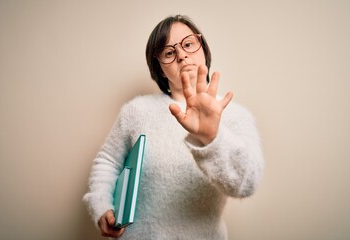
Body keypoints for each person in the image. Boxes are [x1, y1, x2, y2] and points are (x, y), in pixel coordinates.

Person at [83, 14, 264, 239]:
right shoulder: (136, 111)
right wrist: (102, 206)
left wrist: (212, 138)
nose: (181, 56)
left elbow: (246, 184)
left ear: (203, 49)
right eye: (169, 52)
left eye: (188, 44)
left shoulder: (236, 115)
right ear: (159, 68)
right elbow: (108, 161)